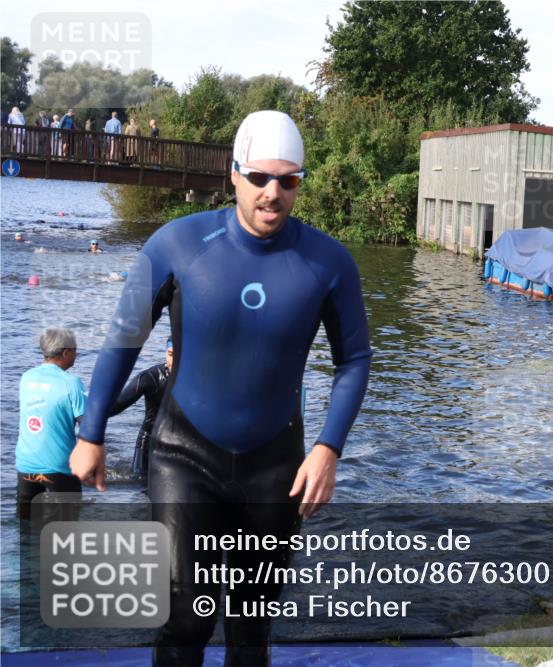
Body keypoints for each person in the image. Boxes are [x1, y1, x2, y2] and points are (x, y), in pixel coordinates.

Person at [71, 110, 372, 666]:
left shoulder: (329, 262)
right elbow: (122, 340)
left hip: (275, 463)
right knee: (186, 615)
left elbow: (354, 360)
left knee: (251, 626)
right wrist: (91, 432)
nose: (272, 193)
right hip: (185, 455)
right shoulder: (177, 243)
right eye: (259, 177)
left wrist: (329, 449)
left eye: (288, 180)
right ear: (233, 174)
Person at [16, 328, 87, 520]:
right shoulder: (72, 383)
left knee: (25, 526)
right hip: (59, 467)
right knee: (68, 527)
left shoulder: (26, 378)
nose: (76, 354)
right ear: (65, 353)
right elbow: (88, 427)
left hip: (26, 465)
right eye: (75, 349)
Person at [109, 340, 172, 485]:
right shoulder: (150, 377)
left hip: (181, 440)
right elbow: (117, 405)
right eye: (170, 354)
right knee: (140, 482)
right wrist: (90, 412)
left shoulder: (196, 379)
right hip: (150, 439)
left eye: (178, 355)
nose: (172, 360)